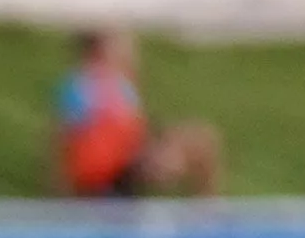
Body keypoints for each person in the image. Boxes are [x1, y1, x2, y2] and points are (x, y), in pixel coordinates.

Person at [55, 28, 223, 199]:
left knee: (200, 139)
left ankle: (205, 205)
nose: (132, 54)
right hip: (113, 170)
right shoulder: (85, 86)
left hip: (129, 158)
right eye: (124, 47)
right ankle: (206, 205)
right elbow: (67, 139)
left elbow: (133, 127)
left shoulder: (118, 83)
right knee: (197, 143)